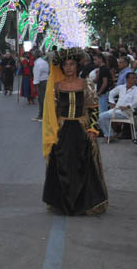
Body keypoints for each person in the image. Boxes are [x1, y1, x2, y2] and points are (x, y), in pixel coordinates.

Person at [42, 48, 108, 215]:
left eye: (72, 64)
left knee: (83, 166)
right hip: (64, 130)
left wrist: (93, 128)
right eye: (65, 64)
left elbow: (93, 108)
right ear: (62, 67)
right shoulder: (57, 86)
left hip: (81, 129)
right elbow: (53, 112)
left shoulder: (86, 84)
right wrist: (53, 132)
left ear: (77, 65)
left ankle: (85, 203)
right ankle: (63, 203)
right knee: (63, 166)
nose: (69, 67)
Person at [97, 72, 137, 141]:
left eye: (135, 78)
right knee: (101, 117)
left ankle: (110, 135)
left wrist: (128, 106)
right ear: (127, 79)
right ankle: (110, 134)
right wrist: (112, 102)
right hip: (116, 110)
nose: (134, 80)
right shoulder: (121, 87)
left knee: (102, 116)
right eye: (132, 78)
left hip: (127, 112)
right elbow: (111, 93)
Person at [33, 52, 50, 121]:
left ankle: (41, 115)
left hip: (41, 82)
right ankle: (44, 115)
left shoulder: (37, 63)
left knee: (41, 99)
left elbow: (36, 75)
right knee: (45, 99)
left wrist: (35, 86)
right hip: (46, 80)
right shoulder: (44, 62)